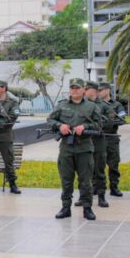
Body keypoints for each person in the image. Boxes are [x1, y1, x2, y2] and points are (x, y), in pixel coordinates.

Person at [47, 78, 102, 221]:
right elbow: (50, 120)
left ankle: (87, 208)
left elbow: (100, 124)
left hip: (84, 148)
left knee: (85, 181)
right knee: (66, 180)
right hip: (66, 148)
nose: (74, 90)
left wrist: (85, 127)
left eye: (77, 88)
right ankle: (65, 208)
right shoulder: (61, 105)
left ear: (83, 89)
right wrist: (60, 126)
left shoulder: (91, 106)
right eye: (72, 88)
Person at [79, 81, 111, 209]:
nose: (87, 92)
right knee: (83, 172)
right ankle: (83, 196)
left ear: (96, 91)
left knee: (99, 170)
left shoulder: (103, 106)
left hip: (98, 143)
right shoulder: (79, 105)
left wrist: (98, 125)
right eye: (86, 90)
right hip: (83, 142)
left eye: (90, 90)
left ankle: (101, 196)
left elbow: (111, 122)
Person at [0, 80, 22, 195]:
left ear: (4, 88)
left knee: (8, 161)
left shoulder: (13, 103)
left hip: (5, 136)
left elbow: (12, 117)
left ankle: (13, 184)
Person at [99, 82, 126, 197]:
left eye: (101, 90)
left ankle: (114, 187)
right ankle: (97, 187)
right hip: (98, 137)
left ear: (108, 90)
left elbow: (122, 118)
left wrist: (113, 121)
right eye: (98, 90)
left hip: (112, 137)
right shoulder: (95, 104)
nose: (99, 92)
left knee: (114, 163)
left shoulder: (117, 104)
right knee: (97, 164)